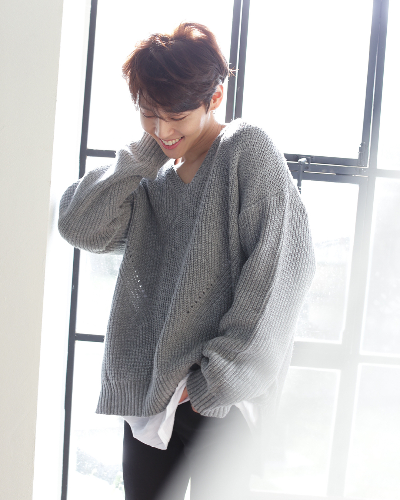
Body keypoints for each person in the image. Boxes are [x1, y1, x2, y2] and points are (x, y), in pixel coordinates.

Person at [58, 22, 316, 500]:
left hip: (219, 401)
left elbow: (282, 269)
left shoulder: (245, 150)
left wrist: (217, 381)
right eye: (148, 114)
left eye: (175, 115)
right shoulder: (152, 176)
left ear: (214, 98)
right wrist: (144, 154)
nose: (162, 130)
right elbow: (79, 225)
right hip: (150, 399)